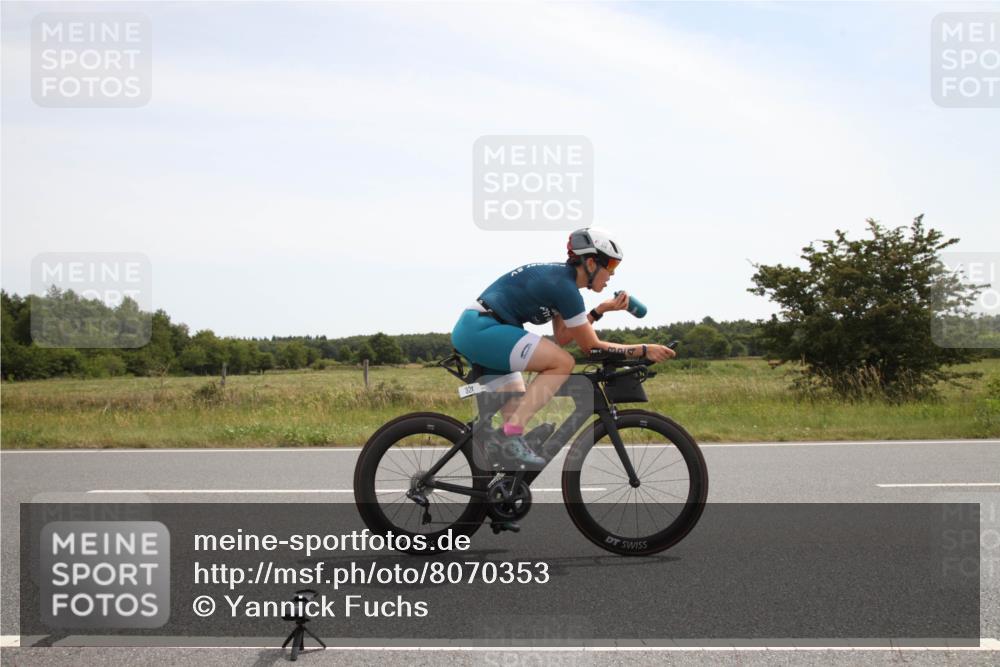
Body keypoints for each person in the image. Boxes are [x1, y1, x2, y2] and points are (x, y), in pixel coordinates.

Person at [450, 227, 675, 466]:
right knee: (562, 363)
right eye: (610, 266)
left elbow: (564, 336)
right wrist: (643, 349)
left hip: (485, 330)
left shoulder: (562, 283)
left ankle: (500, 481)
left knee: (515, 423)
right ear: (590, 263)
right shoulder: (563, 287)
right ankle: (508, 434)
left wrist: (600, 311)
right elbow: (591, 347)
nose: (611, 274)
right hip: (481, 328)